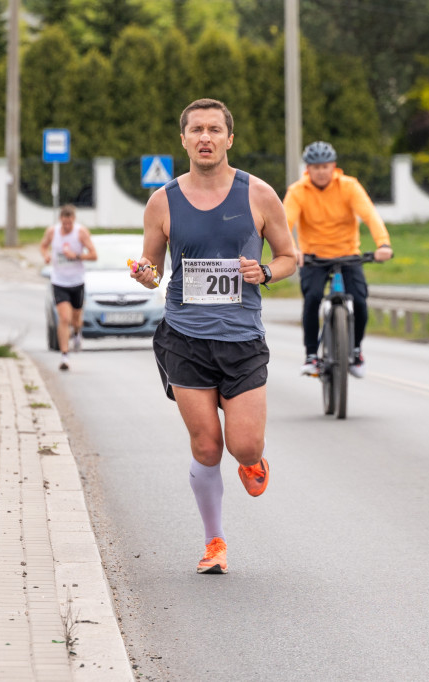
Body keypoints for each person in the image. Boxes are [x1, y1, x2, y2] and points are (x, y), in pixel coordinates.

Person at [129, 98, 296, 574]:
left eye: (214, 129)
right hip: (184, 336)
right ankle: (214, 543)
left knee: (244, 445)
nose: (205, 137)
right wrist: (144, 274)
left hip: (242, 339)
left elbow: (289, 256)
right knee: (206, 446)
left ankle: (251, 460)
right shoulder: (162, 201)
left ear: (229, 139)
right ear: (183, 140)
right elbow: (152, 268)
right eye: (196, 129)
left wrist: (263, 271)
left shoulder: (259, 194)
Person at [284, 141, 393, 379]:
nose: (321, 171)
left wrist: (383, 244)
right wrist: (292, 250)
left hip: (348, 254)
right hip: (313, 257)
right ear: (308, 169)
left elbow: (370, 215)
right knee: (312, 299)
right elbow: (285, 224)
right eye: (316, 167)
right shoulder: (297, 191)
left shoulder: (349, 186)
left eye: (325, 166)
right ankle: (311, 355)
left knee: (361, 301)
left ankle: (355, 350)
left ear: (334, 166)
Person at [39, 204, 98, 371]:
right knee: (64, 318)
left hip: (77, 281)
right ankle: (65, 356)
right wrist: (46, 256)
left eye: (69, 223)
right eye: (64, 223)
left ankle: (78, 333)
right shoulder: (52, 232)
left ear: (74, 220)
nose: (66, 227)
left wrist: (76, 256)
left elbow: (94, 255)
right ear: (60, 220)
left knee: (75, 319)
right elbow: (43, 246)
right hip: (59, 282)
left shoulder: (81, 233)